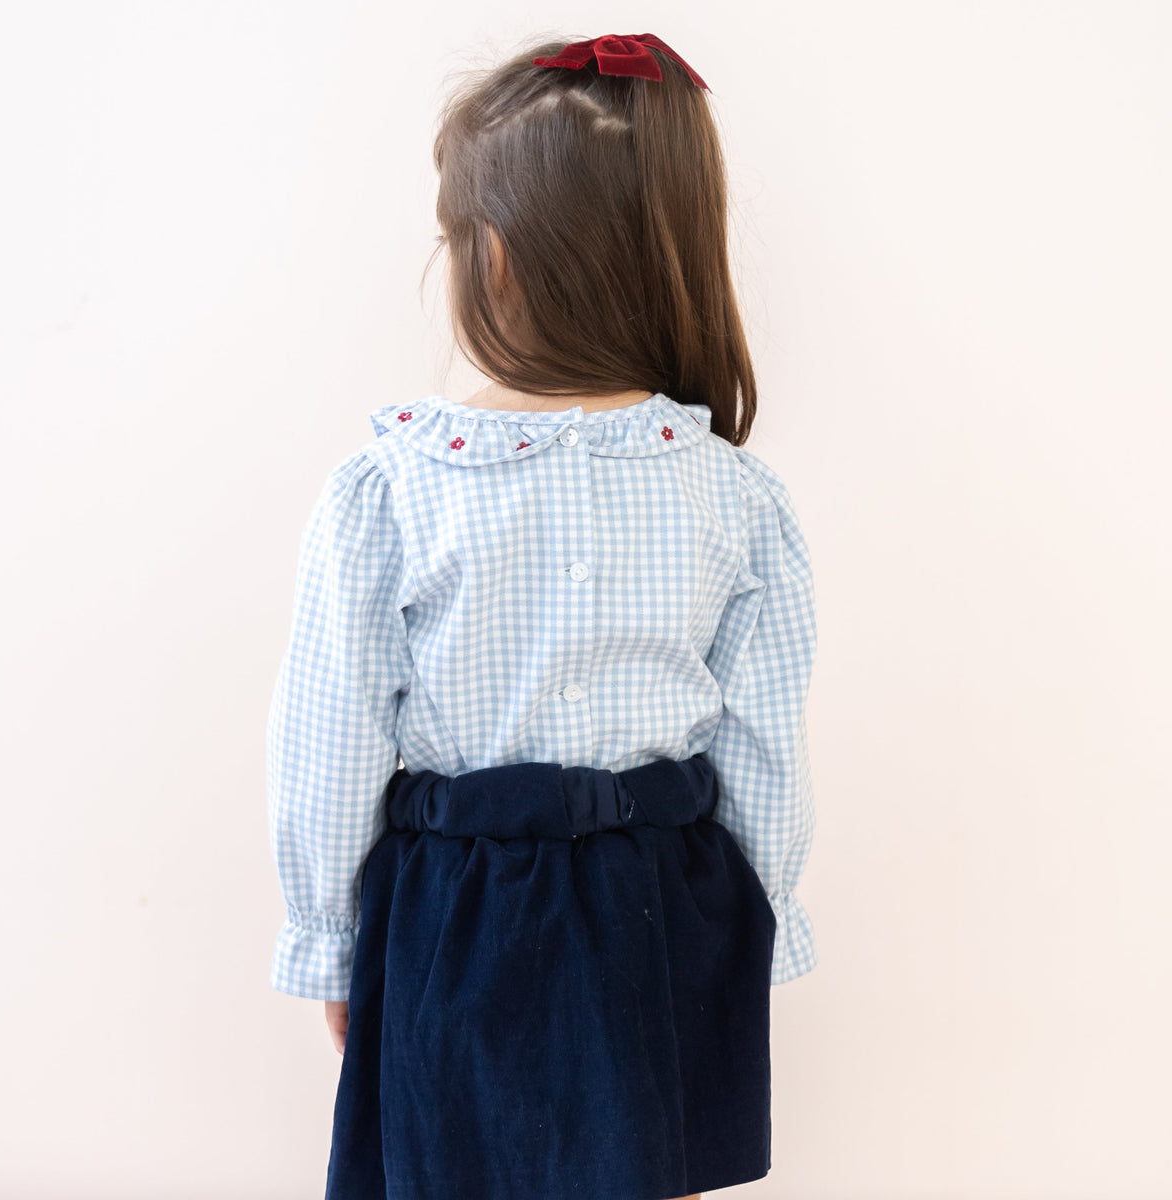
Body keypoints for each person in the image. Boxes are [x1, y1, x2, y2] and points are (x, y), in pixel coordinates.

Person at [266, 31, 819, 1200]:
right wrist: (758, 924)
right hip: (658, 912)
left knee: (448, 1168)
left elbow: (328, 745)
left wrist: (326, 938)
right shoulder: (735, 496)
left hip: (456, 917)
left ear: (497, 256)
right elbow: (765, 750)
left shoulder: (393, 490)